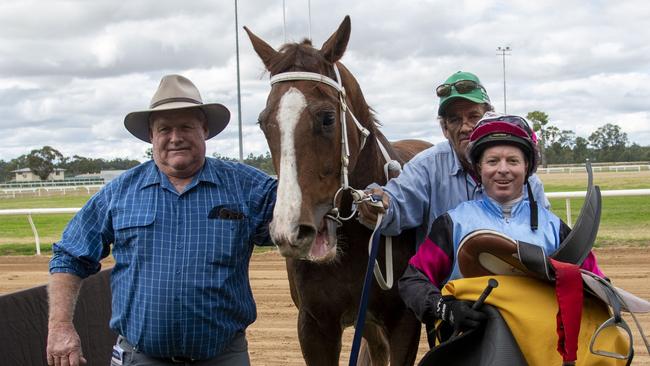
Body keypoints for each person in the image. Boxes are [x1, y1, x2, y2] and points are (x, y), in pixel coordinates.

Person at [46, 74, 277, 366]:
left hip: (222, 356)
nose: (175, 137)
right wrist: (60, 327)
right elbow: (69, 255)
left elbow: (301, 218)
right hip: (140, 356)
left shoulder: (247, 186)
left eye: (185, 127)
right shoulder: (119, 193)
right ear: (151, 136)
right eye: (164, 129)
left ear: (204, 129)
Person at [397, 113, 604, 333]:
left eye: (513, 161)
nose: (502, 169)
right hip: (467, 348)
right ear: (479, 169)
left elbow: (596, 282)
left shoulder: (555, 228)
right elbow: (413, 280)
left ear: (527, 168)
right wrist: (445, 308)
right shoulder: (452, 223)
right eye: (493, 161)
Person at [357, 71, 549, 244]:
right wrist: (377, 203)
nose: (465, 127)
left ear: (488, 117)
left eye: (473, 116)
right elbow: (396, 204)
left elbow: (548, 233)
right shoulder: (427, 167)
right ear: (444, 129)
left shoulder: (526, 179)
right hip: (445, 281)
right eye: (455, 119)